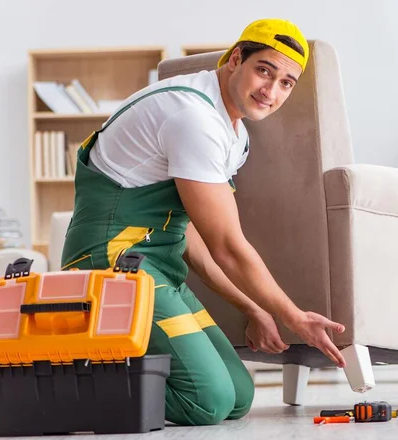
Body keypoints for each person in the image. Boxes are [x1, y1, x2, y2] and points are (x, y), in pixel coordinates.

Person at [61, 18, 346, 426]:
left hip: (156, 270)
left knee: (237, 397)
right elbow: (227, 246)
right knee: (207, 401)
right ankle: (70, 381)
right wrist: (293, 316)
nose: (271, 91)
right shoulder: (194, 118)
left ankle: (113, 368)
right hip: (110, 267)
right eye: (264, 70)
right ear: (235, 60)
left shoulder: (234, 134)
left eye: (286, 83)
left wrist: (254, 308)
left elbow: (194, 232)